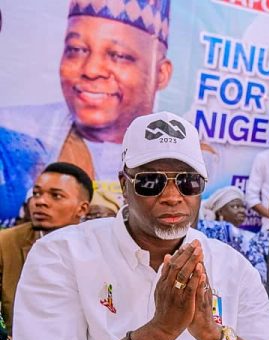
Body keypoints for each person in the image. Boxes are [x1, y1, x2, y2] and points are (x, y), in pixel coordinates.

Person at [11, 112, 269, 340]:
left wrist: (211, 335)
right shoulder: (63, 254)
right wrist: (158, 332)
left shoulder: (231, 265)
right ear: (124, 184)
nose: (173, 197)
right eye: (152, 182)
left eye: (188, 182)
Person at [0, 0, 174, 222]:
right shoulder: (14, 137)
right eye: (77, 50)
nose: (91, 70)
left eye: (118, 55)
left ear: (161, 74)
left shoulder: (183, 156)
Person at [0, 162, 92, 335]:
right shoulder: (5, 243)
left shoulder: (100, 247)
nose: (40, 202)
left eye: (56, 196)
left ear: (82, 209)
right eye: (36, 194)